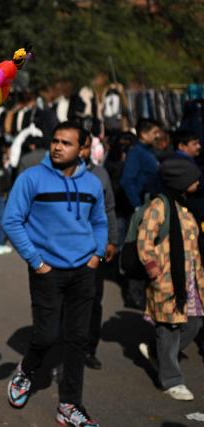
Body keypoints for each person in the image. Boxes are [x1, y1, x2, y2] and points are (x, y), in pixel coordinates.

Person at [2, 121, 107, 427]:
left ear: (83, 149)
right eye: (55, 140)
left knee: (78, 339)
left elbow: (99, 220)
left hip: (84, 271)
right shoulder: (31, 178)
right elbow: (12, 221)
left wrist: (97, 254)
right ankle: (27, 370)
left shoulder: (93, 183)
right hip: (47, 270)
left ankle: (70, 405)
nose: (58, 147)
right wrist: (37, 262)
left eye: (67, 143)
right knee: (47, 335)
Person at [137, 158, 204, 401]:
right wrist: (153, 267)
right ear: (181, 181)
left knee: (194, 323)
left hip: (190, 278)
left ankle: (158, 353)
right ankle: (171, 380)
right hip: (166, 278)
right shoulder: (159, 206)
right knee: (169, 328)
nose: (198, 182)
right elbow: (145, 239)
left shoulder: (186, 205)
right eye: (193, 178)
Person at [80, 131, 118, 370]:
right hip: (64, 253)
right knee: (64, 304)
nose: (82, 152)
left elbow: (110, 208)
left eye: (85, 147)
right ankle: (62, 353)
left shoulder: (100, 174)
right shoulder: (55, 175)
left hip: (95, 251)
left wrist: (112, 240)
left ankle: (88, 349)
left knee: (94, 301)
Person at [120, 119, 162, 309]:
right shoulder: (137, 153)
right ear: (144, 134)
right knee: (137, 252)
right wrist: (137, 206)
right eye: (154, 132)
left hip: (149, 208)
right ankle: (134, 295)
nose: (157, 136)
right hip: (141, 209)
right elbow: (127, 180)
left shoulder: (148, 152)